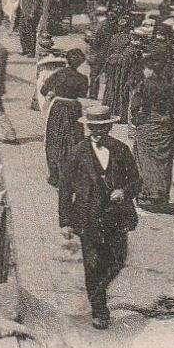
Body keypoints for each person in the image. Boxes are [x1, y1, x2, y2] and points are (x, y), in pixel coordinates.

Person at [58, 101, 140, 330]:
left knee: (117, 260)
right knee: (93, 265)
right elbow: (65, 188)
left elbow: (136, 181)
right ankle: (99, 310)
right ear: (88, 128)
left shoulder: (121, 149)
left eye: (103, 127)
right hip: (87, 216)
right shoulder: (77, 153)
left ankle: (99, 290)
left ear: (110, 127)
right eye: (94, 127)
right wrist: (65, 222)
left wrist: (124, 191)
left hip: (116, 216)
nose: (98, 132)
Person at [127, 62, 174, 211]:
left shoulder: (144, 85)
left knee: (145, 162)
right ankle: (161, 197)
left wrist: (137, 121)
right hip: (164, 128)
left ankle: (146, 197)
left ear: (151, 70)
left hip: (148, 127)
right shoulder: (169, 85)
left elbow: (135, 106)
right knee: (163, 163)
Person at [41, 51, 90, 187]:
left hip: (58, 107)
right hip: (74, 109)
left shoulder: (58, 74)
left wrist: (54, 92)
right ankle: (72, 175)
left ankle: (55, 175)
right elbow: (83, 94)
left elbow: (44, 89)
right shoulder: (82, 78)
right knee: (73, 140)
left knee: (54, 140)